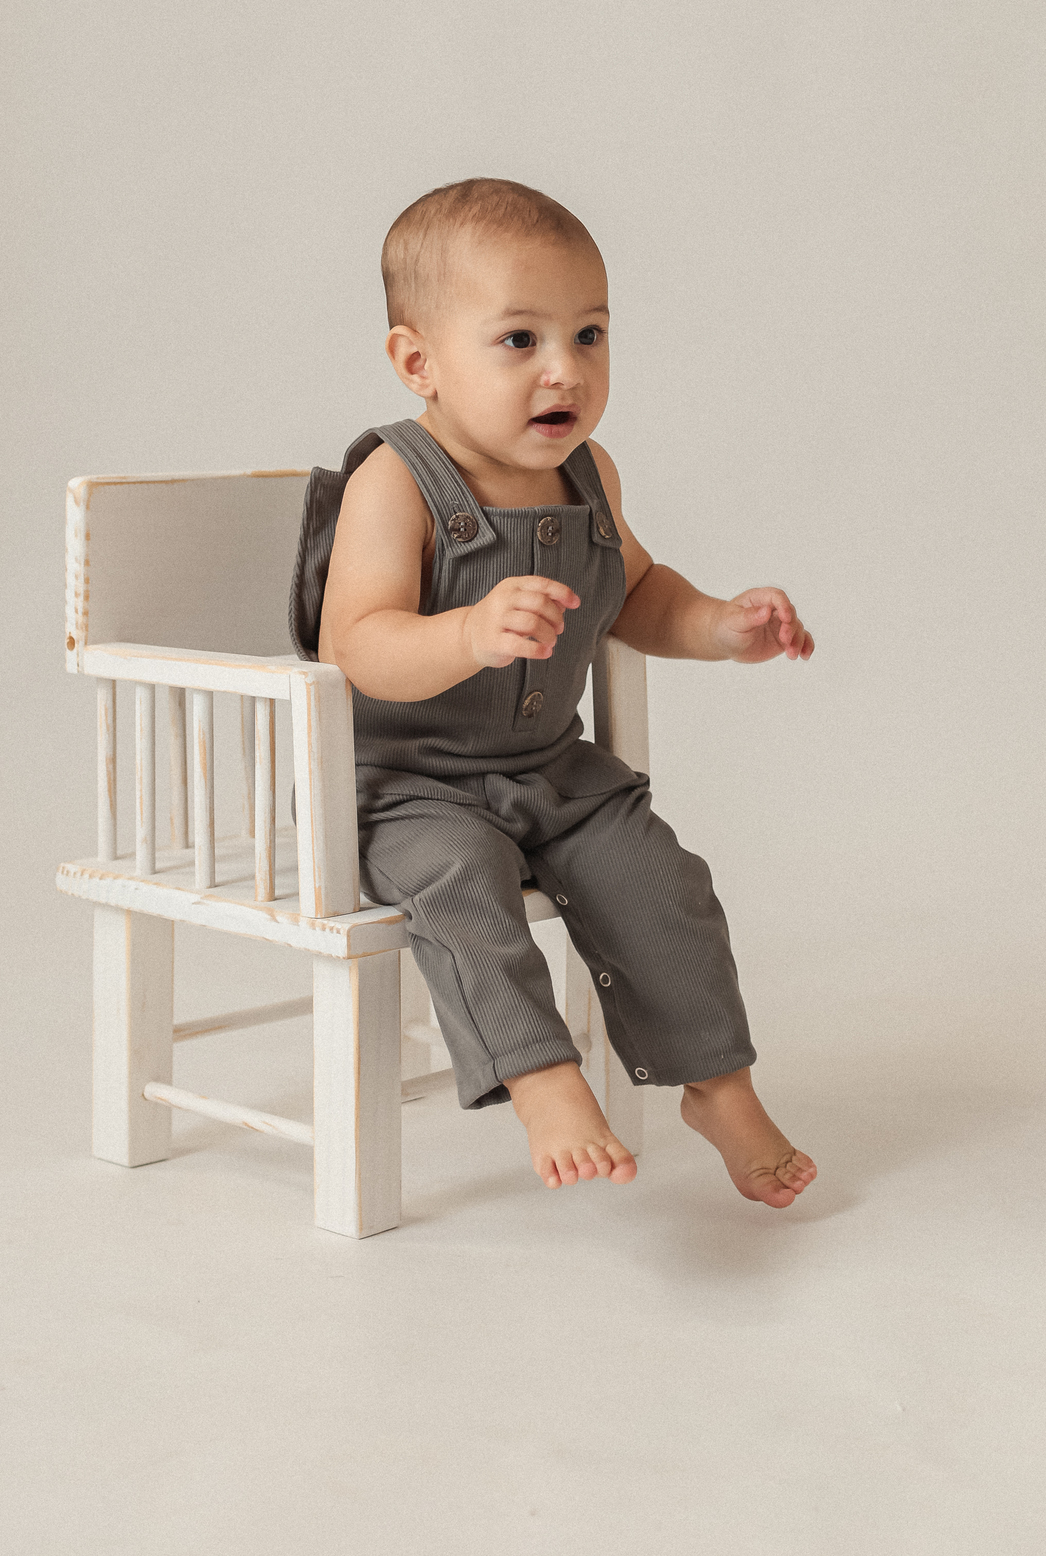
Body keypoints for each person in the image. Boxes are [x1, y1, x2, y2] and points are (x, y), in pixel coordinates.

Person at [289, 177, 817, 1206]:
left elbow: (638, 594)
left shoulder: (590, 474)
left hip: (551, 771)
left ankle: (720, 1087)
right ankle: (541, 1081)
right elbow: (356, 644)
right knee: (459, 886)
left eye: (589, 334)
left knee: (665, 883)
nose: (564, 368)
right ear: (418, 362)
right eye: (519, 340)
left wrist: (719, 626)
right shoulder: (394, 481)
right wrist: (466, 632)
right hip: (405, 786)